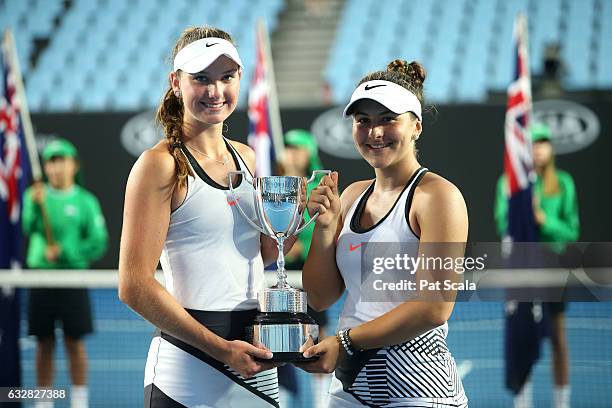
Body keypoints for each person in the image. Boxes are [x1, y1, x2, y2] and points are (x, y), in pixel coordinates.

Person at [118, 26, 296, 407]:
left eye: (226, 77)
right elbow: (133, 285)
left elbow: (262, 254)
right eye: (201, 78)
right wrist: (220, 350)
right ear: (176, 83)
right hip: (189, 367)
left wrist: (304, 216)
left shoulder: (248, 158)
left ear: (240, 80)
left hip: (254, 357)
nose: (215, 91)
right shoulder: (159, 165)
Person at [297, 59, 469, 407]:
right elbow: (320, 297)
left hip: (419, 391)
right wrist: (325, 227)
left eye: (388, 119)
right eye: (364, 121)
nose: (374, 132)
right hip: (349, 391)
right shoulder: (350, 196)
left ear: (416, 126)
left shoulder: (438, 196)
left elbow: (434, 307)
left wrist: (345, 342)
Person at [495, 123, 579, 408]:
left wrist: (545, 221)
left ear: (551, 147)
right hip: (522, 269)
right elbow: (503, 224)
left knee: (557, 338)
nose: (538, 147)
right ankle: (523, 401)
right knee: (521, 334)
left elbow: (571, 232)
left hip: (554, 270)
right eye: (533, 142)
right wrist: (525, 219)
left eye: (543, 142)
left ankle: (561, 402)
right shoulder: (508, 183)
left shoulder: (565, 183)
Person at [22, 138, 108, 408]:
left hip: (73, 279)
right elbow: (28, 227)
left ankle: (79, 400)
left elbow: (98, 242)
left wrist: (68, 251)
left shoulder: (86, 201)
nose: (57, 167)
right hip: (42, 278)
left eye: (62, 160)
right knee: (43, 343)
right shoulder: (34, 196)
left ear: (74, 165)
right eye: (51, 161)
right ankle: (44, 400)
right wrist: (35, 206)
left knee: (74, 341)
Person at [280, 129, 331, 408]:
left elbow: (317, 237)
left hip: (311, 279)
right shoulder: (276, 188)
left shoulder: (319, 189)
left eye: (297, 148)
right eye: (288, 148)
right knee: (278, 338)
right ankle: (285, 397)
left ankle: (322, 401)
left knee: (317, 340)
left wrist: (298, 244)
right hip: (281, 279)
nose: (291, 153)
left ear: (309, 153)